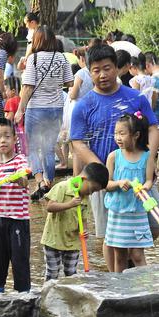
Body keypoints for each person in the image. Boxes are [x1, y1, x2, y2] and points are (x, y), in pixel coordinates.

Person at [70, 44, 159, 271]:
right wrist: (100, 170)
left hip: (138, 173)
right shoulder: (83, 105)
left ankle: (135, 272)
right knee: (110, 236)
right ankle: (115, 285)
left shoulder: (135, 97)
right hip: (104, 178)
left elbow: (153, 127)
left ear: (116, 68)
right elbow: (77, 141)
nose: (102, 75)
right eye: (96, 70)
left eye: (107, 68)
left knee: (153, 225)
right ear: (89, 72)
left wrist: (149, 160)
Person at [15, 25, 74, 200]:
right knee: (48, 149)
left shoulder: (33, 59)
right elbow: (69, 83)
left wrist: (20, 109)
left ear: (37, 40)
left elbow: (27, 87)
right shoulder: (62, 58)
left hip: (36, 109)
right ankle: (49, 184)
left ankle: (40, 181)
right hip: (56, 108)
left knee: (32, 147)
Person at [104, 113, 154, 272]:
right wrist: (118, 183)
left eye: (122, 133)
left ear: (136, 135)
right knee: (120, 256)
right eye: (115, 133)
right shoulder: (113, 157)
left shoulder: (147, 157)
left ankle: (145, 288)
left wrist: (145, 187)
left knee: (138, 255)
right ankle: (120, 291)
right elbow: (106, 184)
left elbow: (149, 180)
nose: (117, 137)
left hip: (137, 212)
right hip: (118, 213)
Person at [41, 163, 109, 280]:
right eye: (92, 189)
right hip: (54, 240)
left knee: (71, 273)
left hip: (73, 241)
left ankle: (69, 296)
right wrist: (70, 204)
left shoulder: (85, 198)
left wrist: (85, 230)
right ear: (83, 179)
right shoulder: (62, 187)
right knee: (52, 273)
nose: (91, 193)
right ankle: (48, 296)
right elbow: (50, 207)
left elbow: (84, 218)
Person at [0, 118, 31, 293]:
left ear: (15, 139)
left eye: (7, 136)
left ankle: (24, 296)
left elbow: (24, 180)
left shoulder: (20, 160)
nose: (3, 140)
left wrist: (18, 178)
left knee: (20, 261)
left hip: (18, 220)